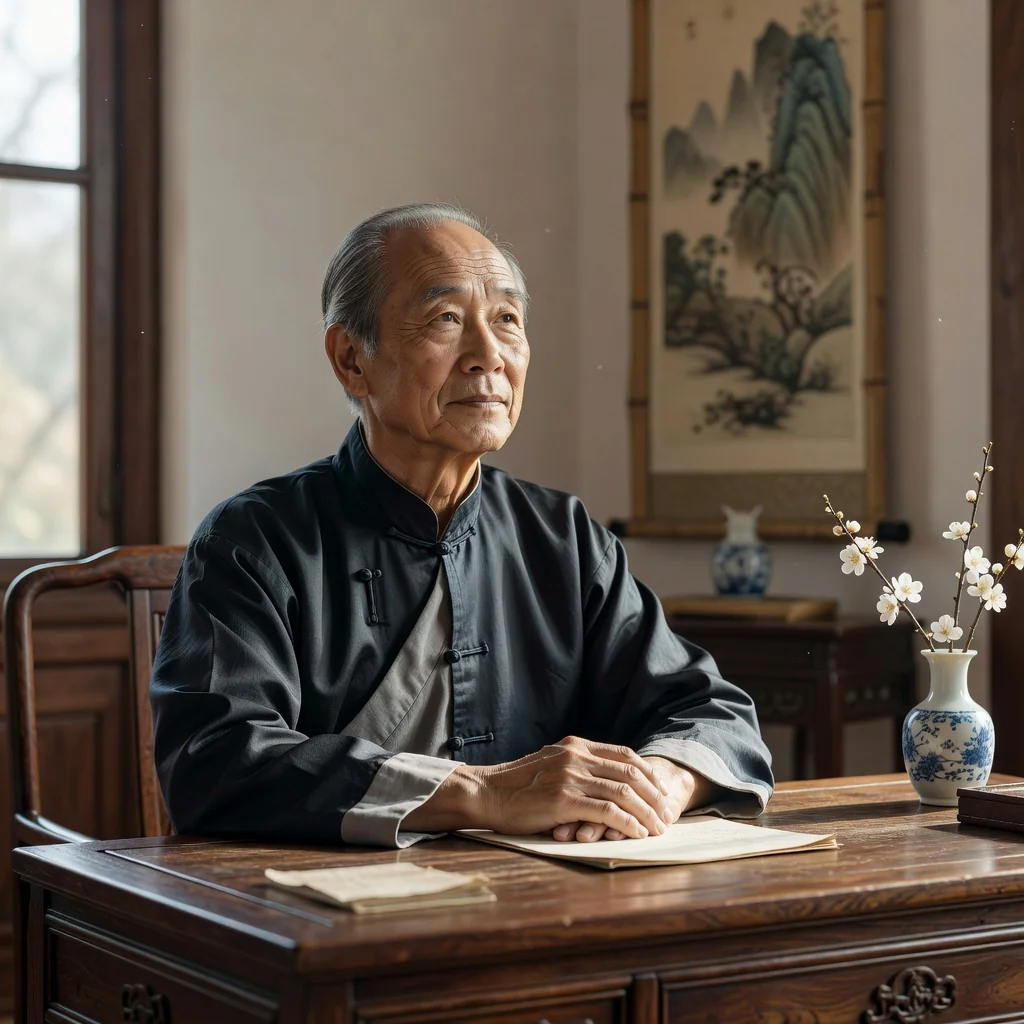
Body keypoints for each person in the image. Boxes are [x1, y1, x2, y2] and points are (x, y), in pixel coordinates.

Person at [150, 203, 773, 848]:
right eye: (445, 320)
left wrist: (655, 788)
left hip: (537, 903)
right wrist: (485, 793)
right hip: (325, 913)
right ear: (350, 359)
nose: (488, 356)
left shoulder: (561, 536)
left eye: (507, 320)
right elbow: (216, 760)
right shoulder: (257, 540)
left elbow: (714, 715)